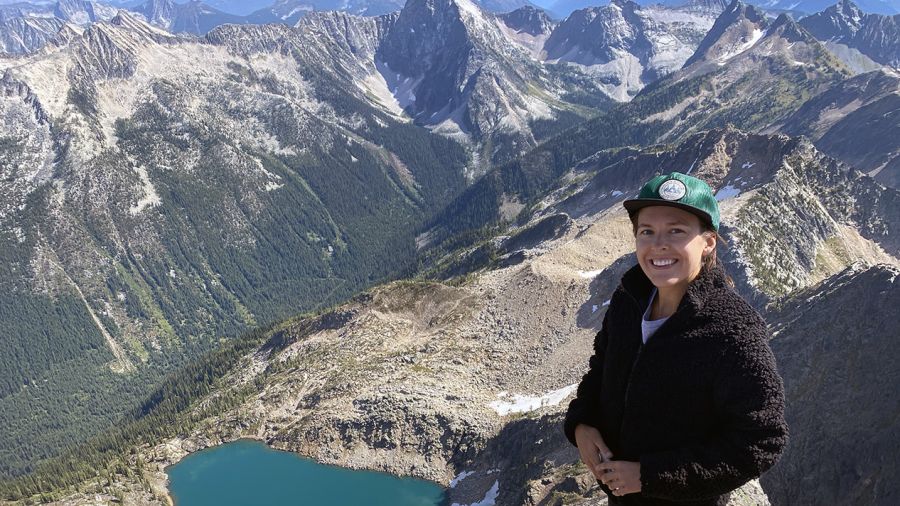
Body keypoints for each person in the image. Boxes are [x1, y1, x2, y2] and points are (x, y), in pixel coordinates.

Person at [563, 171, 788, 505]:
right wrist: (581, 422)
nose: (659, 245)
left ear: (708, 241)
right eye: (647, 232)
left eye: (676, 231)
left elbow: (762, 441)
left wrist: (650, 475)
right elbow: (601, 368)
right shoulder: (629, 300)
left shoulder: (732, 332)